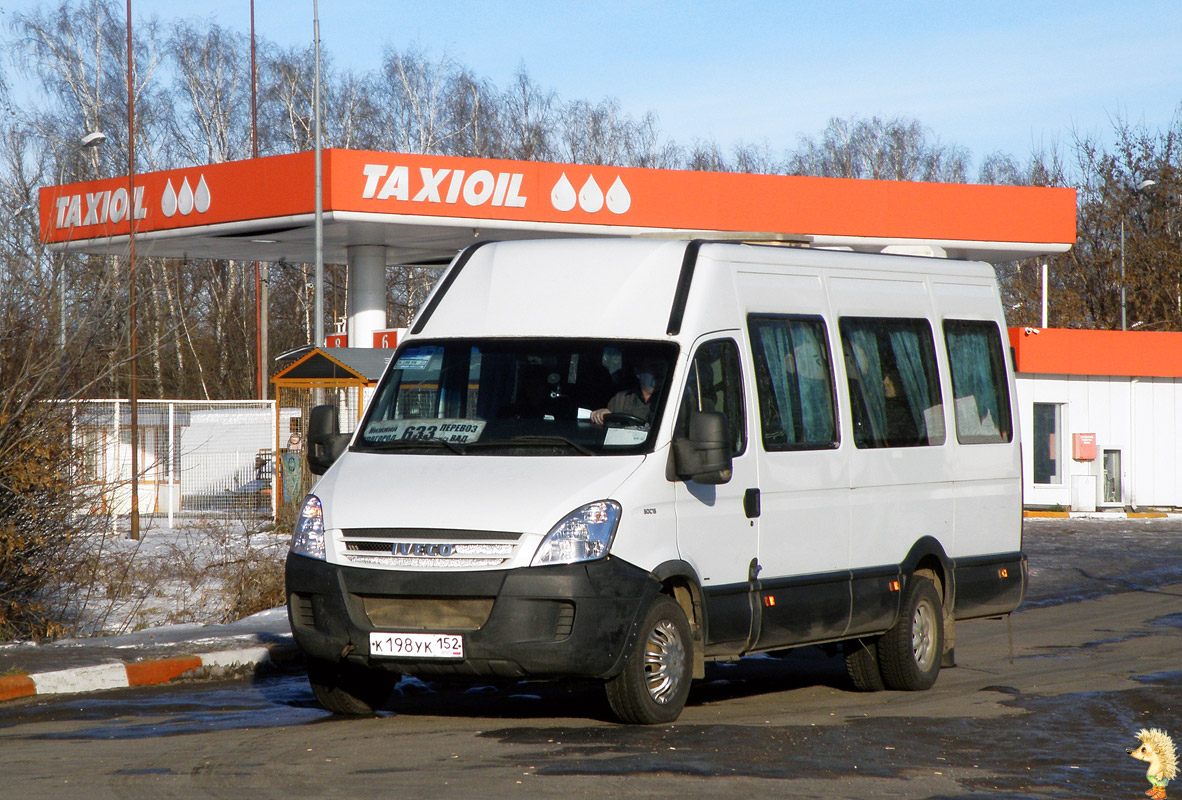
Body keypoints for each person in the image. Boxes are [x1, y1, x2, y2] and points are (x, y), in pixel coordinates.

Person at [590, 361, 663, 425]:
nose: (659, 372)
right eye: (653, 367)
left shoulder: (668, 399)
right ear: (638, 371)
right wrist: (600, 415)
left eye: (662, 367)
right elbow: (607, 425)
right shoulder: (622, 398)